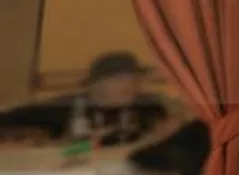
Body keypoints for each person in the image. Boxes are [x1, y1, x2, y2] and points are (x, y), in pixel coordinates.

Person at [0, 50, 166, 145]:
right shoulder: (62, 108)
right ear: (94, 85)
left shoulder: (149, 107)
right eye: (118, 80)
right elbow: (63, 150)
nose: (129, 87)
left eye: (134, 80)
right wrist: (80, 147)